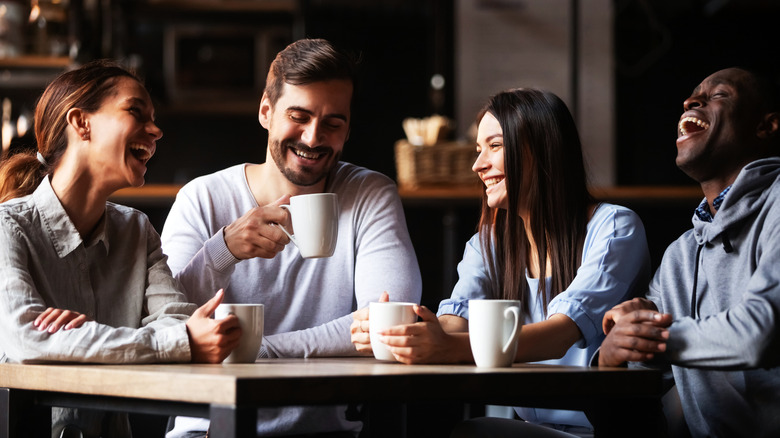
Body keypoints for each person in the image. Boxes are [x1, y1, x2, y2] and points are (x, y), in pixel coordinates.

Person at [351, 88, 651, 437]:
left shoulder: (614, 228)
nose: (478, 165)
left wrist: (447, 348)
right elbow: (454, 321)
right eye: (479, 150)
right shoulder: (489, 242)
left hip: (604, 427)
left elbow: (561, 333)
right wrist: (402, 333)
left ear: (541, 149)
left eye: (495, 146)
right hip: (535, 427)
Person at [161, 38, 422, 437]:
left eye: (333, 123)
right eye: (298, 116)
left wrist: (260, 350)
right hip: (207, 431)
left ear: (348, 128)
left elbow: (388, 323)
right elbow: (169, 326)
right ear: (266, 111)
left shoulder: (370, 194)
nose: (314, 138)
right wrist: (224, 250)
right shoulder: (202, 197)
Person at [0, 60, 241, 438]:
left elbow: (177, 320)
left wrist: (78, 338)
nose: (157, 130)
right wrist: (169, 344)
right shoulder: (7, 227)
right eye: (135, 111)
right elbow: (28, 338)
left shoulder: (136, 230)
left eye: (154, 118)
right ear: (81, 123)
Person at [598, 67, 780, 437]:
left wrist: (651, 338)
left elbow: (759, 332)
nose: (690, 101)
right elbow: (634, 374)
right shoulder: (680, 256)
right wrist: (612, 353)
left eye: (720, 95)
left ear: (766, 127)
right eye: (693, 95)